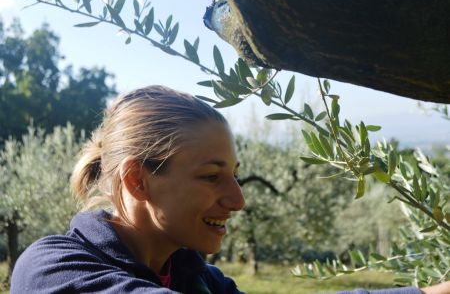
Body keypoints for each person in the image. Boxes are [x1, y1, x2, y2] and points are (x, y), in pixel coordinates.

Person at [10, 86, 450, 294]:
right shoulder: (54, 272)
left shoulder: (190, 273)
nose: (238, 199)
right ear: (136, 180)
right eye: (211, 176)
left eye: (234, 175)